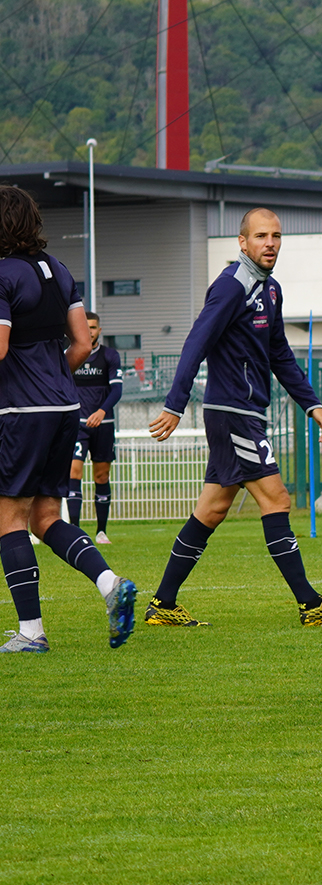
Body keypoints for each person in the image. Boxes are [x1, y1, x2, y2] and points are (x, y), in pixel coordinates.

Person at [146, 207, 322, 628]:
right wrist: (175, 404)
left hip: (242, 413)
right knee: (276, 499)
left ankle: (163, 604)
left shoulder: (271, 289)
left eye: (276, 236)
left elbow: (279, 354)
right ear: (242, 242)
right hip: (233, 413)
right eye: (261, 236)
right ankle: (310, 604)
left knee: (212, 510)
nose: (271, 243)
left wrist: (312, 405)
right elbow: (196, 342)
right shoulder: (232, 286)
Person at [0, 184, 137, 653]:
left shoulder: (2, 274)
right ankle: (110, 584)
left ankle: (31, 632)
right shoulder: (58, 270)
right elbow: (81, 344)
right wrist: (53, 376)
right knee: (44, 516)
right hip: (65, 407)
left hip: (21, 411)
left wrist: (30, 382)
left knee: (9, 518)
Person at [68, 311, 123, 543]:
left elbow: (117, 390)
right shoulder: (69, 354)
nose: (89, 331)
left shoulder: (109, 356)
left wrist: (101, 411)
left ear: (99, 330)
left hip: (104, 424)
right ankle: (75, 531)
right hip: (77, 424)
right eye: (85, 326)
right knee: (73, 472)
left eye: (92, 327)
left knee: (101, 475)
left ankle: (101, 531)